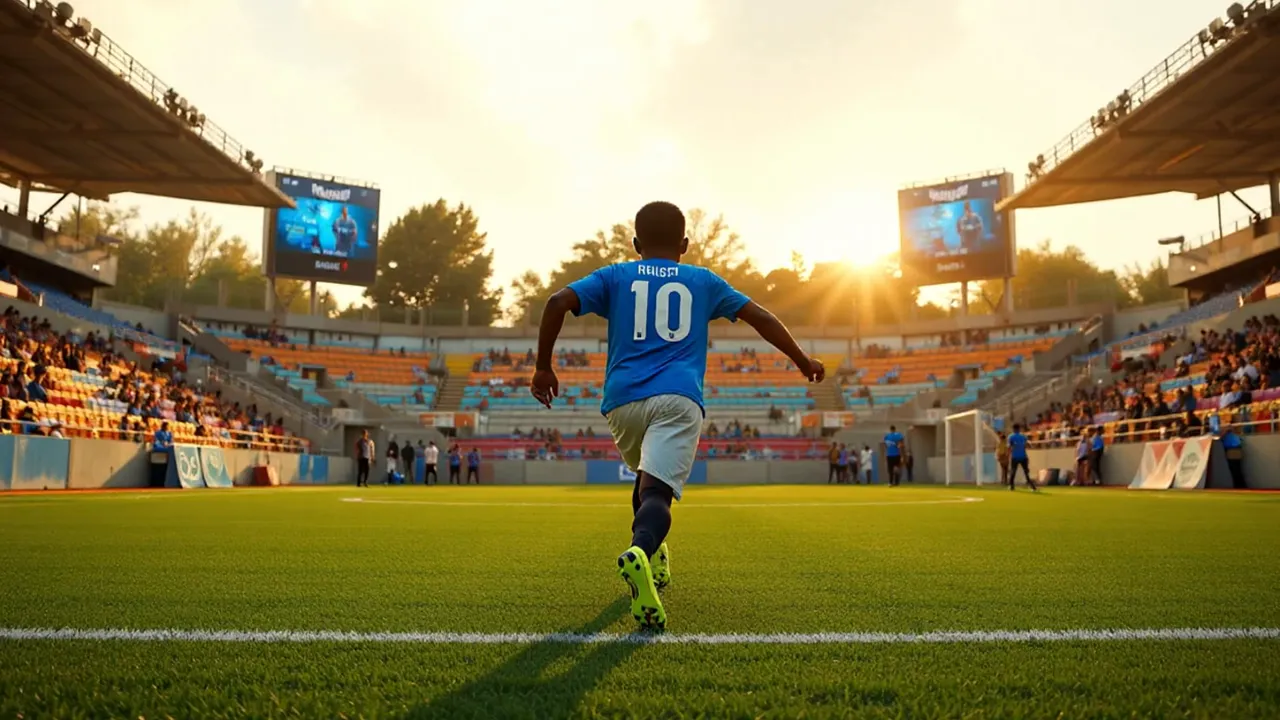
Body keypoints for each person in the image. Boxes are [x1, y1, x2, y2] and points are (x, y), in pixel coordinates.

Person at [530, 200, 824, 631]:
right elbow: (758, 316)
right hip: (678, 398)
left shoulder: (615, 275)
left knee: (645, 477)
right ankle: (641, 550)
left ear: (635, 244)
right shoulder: (703, 281)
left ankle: (656, 559)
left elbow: (556, 302)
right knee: (657, 496)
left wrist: (542, 366)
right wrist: (801, 360)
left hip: (622, 402)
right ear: (685, 244)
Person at [1007, 423, 1038, 491]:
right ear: (1019, 429)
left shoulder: (1011, 437)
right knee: (1026, 472)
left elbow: (1009, 446)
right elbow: (1028, 444)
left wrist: (1008, 454)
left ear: (1013, 429)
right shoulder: (1023, 436)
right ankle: (1032, 486)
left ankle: (1011, 486)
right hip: (1023, 457)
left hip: (1015, 457)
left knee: (1013, 471)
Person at [1220, 424, 1246, 489]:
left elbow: (1221, 438)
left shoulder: (1227, 435)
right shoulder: (1234, 435)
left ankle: (1239, 486)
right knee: (1237, 470)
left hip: (1231, 451)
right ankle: (1240, 485)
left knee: (1234, 470)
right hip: (1237, 450)